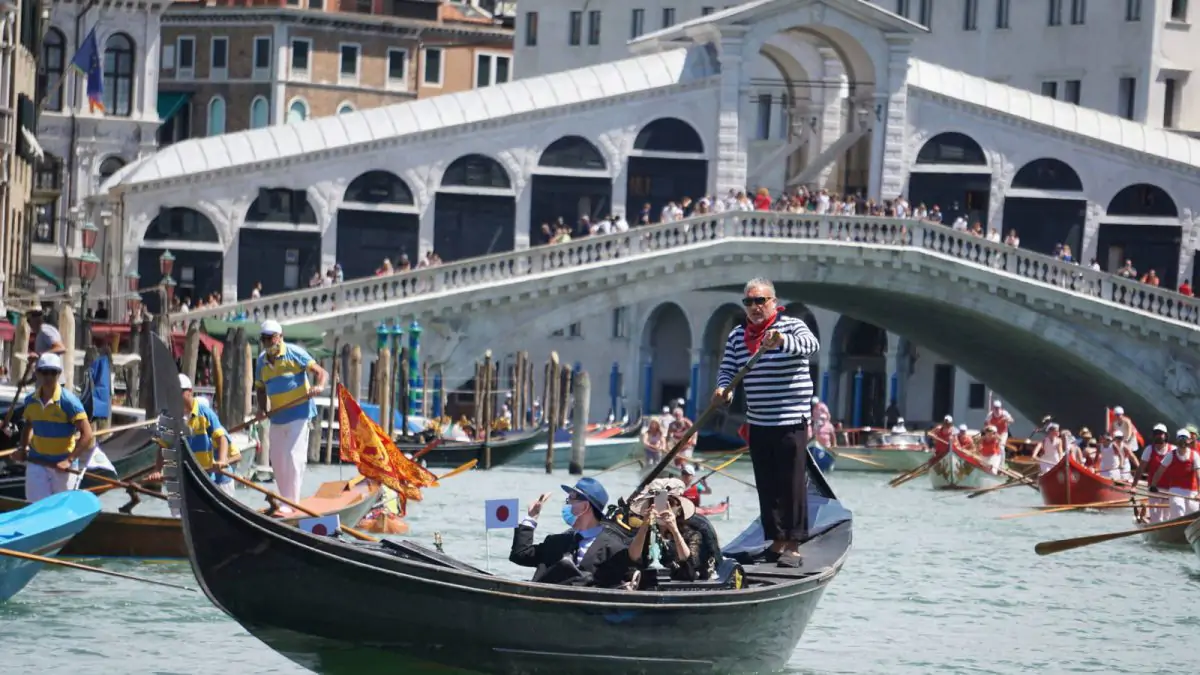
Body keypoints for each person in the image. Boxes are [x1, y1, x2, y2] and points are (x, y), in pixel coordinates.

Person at [712, 277, 820, 568]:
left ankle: (793, 544)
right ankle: (776, 540)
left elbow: (811, 346)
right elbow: (728, 369)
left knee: (791, 483)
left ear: (773, 302)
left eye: (760, 301)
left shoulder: (792, 325)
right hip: (758, 420)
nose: (755, 307)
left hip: (790, 419)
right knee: (767, 484)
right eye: (749, 302)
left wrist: (782, 341)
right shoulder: (738, 335)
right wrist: (724, 389)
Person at [254, 320, 327, 509]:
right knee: (277, 458)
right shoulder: (261, 361)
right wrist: (262, 409)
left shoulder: (294, 353)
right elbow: (261, 389)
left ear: (279, 337)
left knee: (293, 456)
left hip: (299, 413)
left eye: (270, 338)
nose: (267, 343)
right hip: (277, 416)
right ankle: (285, 500)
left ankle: (292, 503)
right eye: (264, 339)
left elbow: (320, 372)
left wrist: (319, 386)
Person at [509, 477, 633, 587]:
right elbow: (520, 555)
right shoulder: (556, 542)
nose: (566, 505)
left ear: (584, 507)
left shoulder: (614, 549)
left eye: (570, 500)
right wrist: (531, 517)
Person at [12, 354, 95, 501]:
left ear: (59, 374)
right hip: (36, 462)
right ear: (37, 373)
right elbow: (28, 425)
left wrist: (69, 460)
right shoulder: (30, 401)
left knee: (59, 507)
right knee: (35, 506)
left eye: (53, 372)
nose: (48, 376)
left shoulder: (69, 402)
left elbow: (87, 435)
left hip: (62, 465)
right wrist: (23, 449)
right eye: (44, 372)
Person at [1149, 429, 1200, 520]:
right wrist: (1153, 485)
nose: (1182, 442)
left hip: (1192, 491)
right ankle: (1176, 528)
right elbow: (1159, 471)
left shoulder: (1195, 455)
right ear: (1177, 441)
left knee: (1193, 514)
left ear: (1188, 441)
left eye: (1184, 439)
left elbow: (1198, 475)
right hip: (1176, 490)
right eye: (1180, 439)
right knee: (1178, 509)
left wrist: (1199, 493)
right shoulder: (1171, 455)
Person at [24, 308, 66, 384]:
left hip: (53, 383)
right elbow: (42, 363)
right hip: (44, 384)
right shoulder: (39, 334)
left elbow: (61, 348)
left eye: (29, 320)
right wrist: (27, 382)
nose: (28, 324)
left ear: (36, 319)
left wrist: (38, 355)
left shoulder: (45, 330)